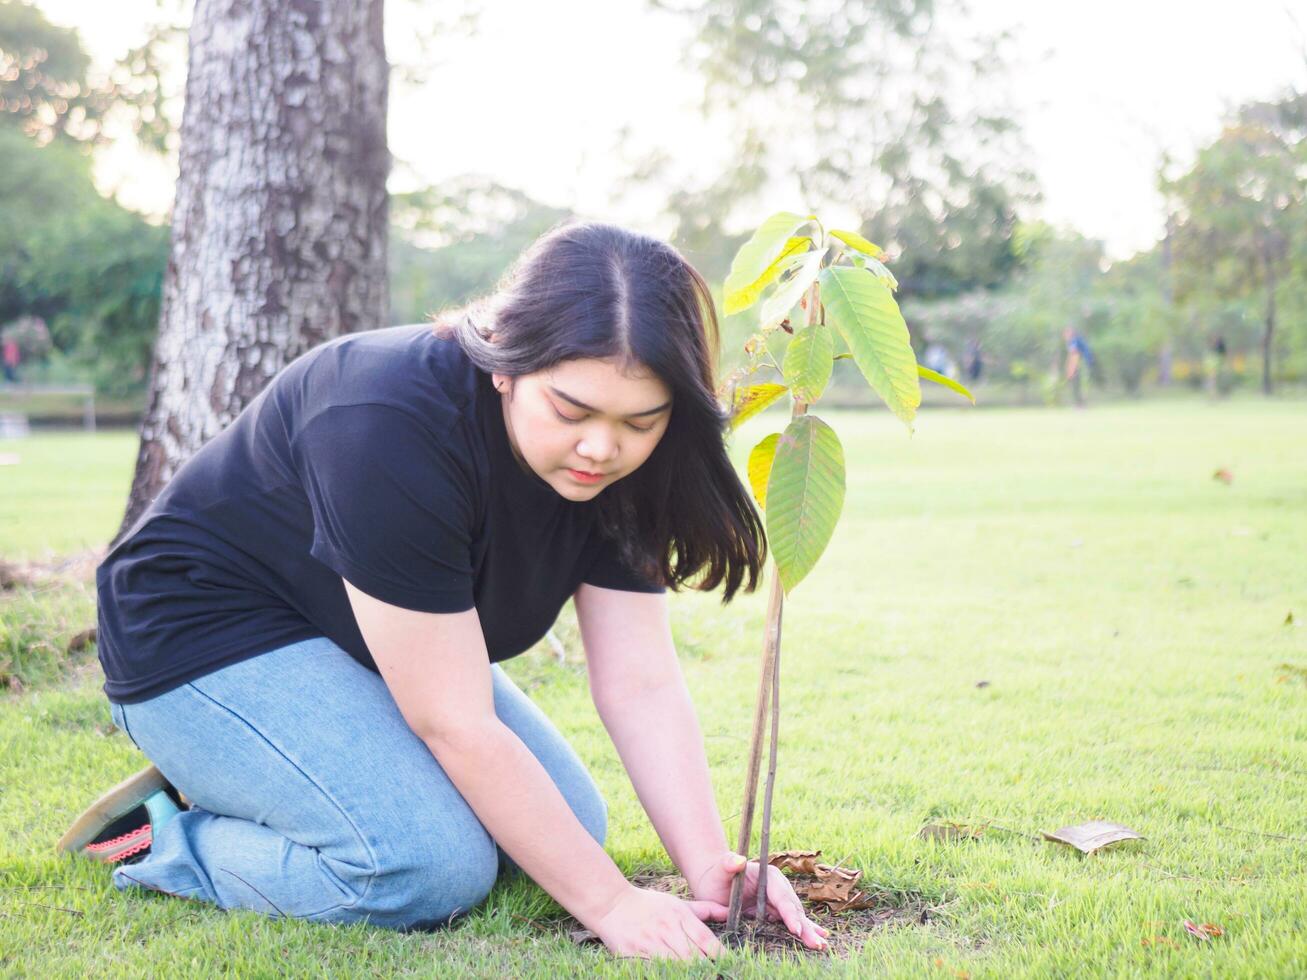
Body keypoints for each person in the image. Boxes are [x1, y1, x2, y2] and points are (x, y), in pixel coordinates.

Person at [59, 221, 829, 961]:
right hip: (202, 634)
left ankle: (287, 769)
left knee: (568, 831)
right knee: (423, 870)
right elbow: (453, 721)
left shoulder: (639, 461)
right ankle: (163, 830)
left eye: (640, 420)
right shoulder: (385, 417)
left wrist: (707, 867)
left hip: (359, 634)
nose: (602, 447)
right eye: (571, 409)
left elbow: (640, 680)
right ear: (502, 359)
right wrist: (613, 905)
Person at [1062, 325, 1094, 407]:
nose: (1064, 336)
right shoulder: (1072, 341)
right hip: (1082, 362)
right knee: (1077, 383)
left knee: (1080, 384)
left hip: (1083, 362)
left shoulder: (1074, 340)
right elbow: (1071, 356)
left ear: (1070, 333)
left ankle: (1081, 405)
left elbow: (1075, 355)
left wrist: (1071, 371)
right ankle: (1080, 404)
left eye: (1066, 334)